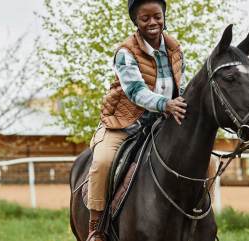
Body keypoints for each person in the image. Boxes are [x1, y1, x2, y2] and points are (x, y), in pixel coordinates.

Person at [86, 0, 187, 240]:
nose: (152, 22)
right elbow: (134, 91)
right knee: (102, 162)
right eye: (145, 18)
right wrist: (166, 104)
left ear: (164, 16)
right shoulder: (125, 52)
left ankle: (199, 219)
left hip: (162, 123)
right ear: (136, 21)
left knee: (208, 162)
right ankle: (96, 227)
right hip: (124, 123)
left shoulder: (175, 49)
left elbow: (180, 85)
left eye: (157, 16)